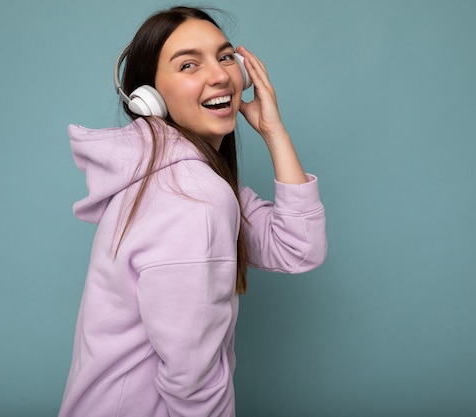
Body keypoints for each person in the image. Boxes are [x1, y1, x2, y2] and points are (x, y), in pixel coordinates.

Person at [58, 5, 326, 417]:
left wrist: (274, 131)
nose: (219, 75)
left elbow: (296, 247)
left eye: (224, 57)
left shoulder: (175, 177)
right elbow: (193, 382)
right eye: (188, 65)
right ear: (149, 98)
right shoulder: (193, 198)